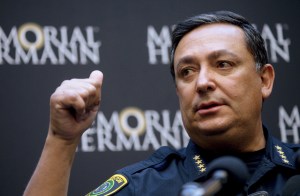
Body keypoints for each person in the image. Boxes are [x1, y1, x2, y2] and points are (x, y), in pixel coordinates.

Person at [23, 11, 300, 196]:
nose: (202, 82)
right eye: (186, 72)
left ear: (264, 80)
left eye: (223, 64)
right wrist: (62, 140)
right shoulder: (143, 186)